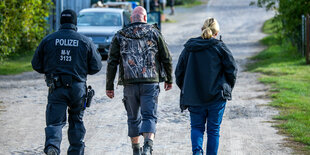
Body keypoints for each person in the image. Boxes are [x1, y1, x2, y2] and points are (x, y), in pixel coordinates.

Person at [31, 9, 102, 155]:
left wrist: (50, 70)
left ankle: (52, 147)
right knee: (76, 121)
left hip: (56, 88)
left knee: (55, 122)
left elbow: (36, 64)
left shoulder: (49, 40)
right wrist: (81, 69)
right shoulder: (85, 41)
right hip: (78, 88)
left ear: (61, 22)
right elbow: (96, 66)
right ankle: (76, 151)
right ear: (75, 23)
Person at [106, 6, 173, 155]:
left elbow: (112, 62)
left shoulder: (120, 35)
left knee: (133, 118)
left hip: (129, 83)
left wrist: (109, 86)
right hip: (150, 82)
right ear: (145, 18)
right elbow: (166, 57)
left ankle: (136, 150)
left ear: (131, 19)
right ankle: (148, 147)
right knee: (149, 115)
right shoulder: (154, 33)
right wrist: (169, 79)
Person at [175, 17, 238, 155]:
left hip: (194, 98)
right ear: (216, 33)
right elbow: (232, 70)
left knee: (196, 128)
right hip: (216, 97)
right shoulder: (220, 47)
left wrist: (188, 89)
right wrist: (227, 87)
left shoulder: (189, 48)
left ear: (201, 29)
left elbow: (179, 72)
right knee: (213, 131)